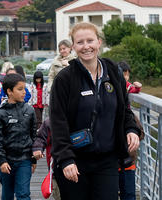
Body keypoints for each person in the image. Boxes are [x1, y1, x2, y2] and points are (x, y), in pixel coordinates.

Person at [50, 22, 141, 200]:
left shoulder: (113, 72)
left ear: (99, 42)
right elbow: (58, 122)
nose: (86, 47)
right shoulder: (65, 79)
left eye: (90, 40)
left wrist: (131, 130)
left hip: (107, 160)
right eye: (80, 42)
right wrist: (66, 159)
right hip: (74, 161)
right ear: (73, 46)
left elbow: (124, 110)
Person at [0, 73, 37, 200]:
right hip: (6, 161)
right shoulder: (0, 114)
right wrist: (1, 161)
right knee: (7, 193)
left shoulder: (30, 110)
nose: (24, 92)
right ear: (9, 91)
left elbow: (34, 136)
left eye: (25, 89)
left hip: (25, 160)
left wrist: (33, 159)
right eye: (20, 89)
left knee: (23, 194)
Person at [118, 61, 143, 200]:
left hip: (126, 158)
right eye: (124, 74)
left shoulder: (126, 86)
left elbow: (133, 89)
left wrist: (137, 87)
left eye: (127, 75)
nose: (126, 78)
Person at [32, 118, 61, 200]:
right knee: (58, 194)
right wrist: (37, 148)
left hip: (81, 166)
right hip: (56, 168)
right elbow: (40, 138)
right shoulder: (49, 122)